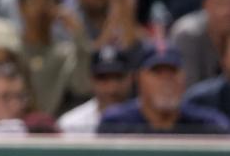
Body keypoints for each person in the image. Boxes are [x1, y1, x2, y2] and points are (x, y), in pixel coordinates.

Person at [98, 44, 230, 135]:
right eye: (157, 72)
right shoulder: (116, 124)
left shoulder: (210, 126)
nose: (166, 80)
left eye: (173, 71)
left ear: (184, 77)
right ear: (138, 78)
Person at [168, 0, 230, 88]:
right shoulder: (187, 35)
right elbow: (188, 94)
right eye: (221, 2)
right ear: (206, 4)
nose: (228, 11)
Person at [58, 45, 135, 134]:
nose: (112, 87)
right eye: (103, 78)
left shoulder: (147, 119)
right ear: (91, 79)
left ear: (130, 78)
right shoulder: (70, 124)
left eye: (118, 77)